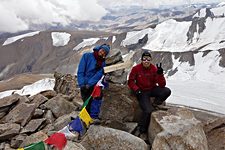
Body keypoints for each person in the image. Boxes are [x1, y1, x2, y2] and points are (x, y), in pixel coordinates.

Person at [128, 51, 171, 135]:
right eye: (144, 59)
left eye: (148, 59)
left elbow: (162, 85)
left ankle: (156, 103)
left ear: (150, 60)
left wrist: (160, 74)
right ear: (141, 60)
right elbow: (131, 81)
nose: (146, 61)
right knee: (147, 111)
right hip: (142, 92)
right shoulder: (136, 68)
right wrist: (136, 89)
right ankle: (142, 129)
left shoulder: (154, 69)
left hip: (152, 89)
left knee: (167, 91)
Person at [77, 44, 110, 114]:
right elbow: (81, 70)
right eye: (103, 50)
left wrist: (89, 85)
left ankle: (87, 117)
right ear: (99, 49)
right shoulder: (87, 56)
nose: (103, 52)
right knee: (85, 100)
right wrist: (81, 84)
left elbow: (98, 75)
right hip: (83, 84)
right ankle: (84, 117)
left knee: (89, 102)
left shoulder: (103, 63)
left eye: (105, 53)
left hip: (92, 85)